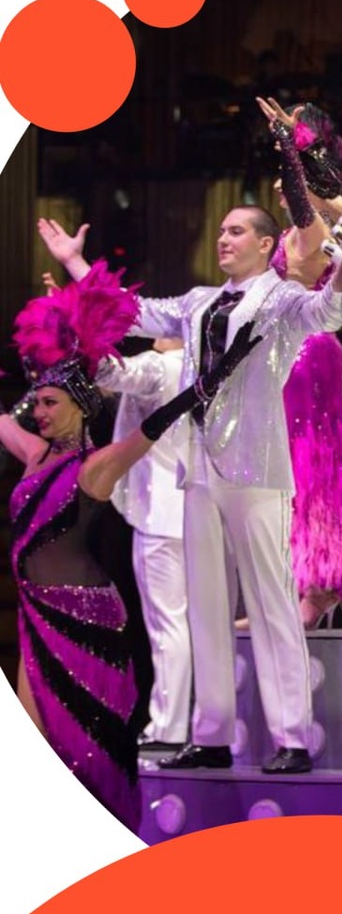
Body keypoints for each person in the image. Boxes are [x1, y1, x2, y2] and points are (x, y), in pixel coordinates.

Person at [39, 198, 342, 776]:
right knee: (206, 605)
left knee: (271, 603)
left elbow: (332, 311)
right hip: (198, 467)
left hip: (256, 466)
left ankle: (291, 736)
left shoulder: (281, 299)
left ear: (266, 244)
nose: (224, 239)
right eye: (222, 230)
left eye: (236, 231)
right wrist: (75, 264)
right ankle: (211, 733)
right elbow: (131, 312)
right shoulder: (198, 302)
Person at [0, 262, 261, 828]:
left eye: (50, 403)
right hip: (35, 613)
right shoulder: (33, 453)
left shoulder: (94, 467)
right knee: (32, 740)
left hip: (84, 617)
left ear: (80, 406)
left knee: (82, 743)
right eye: (36, 402)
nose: (39, 412)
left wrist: (212, 378)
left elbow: (153, 426)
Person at [258, 95, 342, 626]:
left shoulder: (315, 230)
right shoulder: (302, 231)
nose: (279, 186)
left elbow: (307, 200)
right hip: (292, 356)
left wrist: (289, 143)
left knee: (309, 466)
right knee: (291, 469)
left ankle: (319, 584)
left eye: (289, 180)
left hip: (306, 358)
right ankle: (302, 582)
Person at [95, 338, 192, 749]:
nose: (153, 336)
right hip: (198, 512)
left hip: (161, 512)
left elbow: (110, 371)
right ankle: (197, 726)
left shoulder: (163, 365)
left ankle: (168, 728)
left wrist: (82, 329)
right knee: (192, 626)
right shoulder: (209, 365)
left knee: (167, 625)